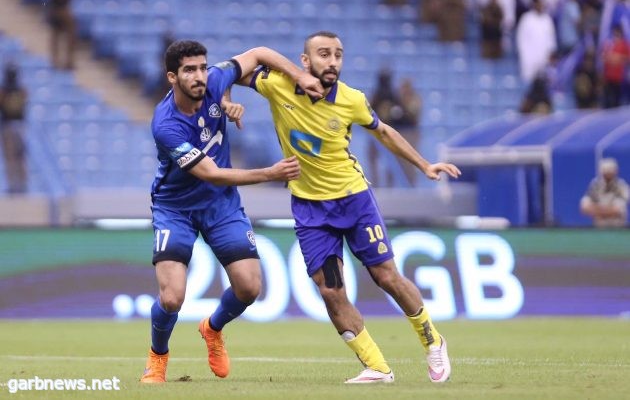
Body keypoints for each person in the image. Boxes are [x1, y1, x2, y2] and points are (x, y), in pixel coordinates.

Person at [231, 31, 461, 384]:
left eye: (338, 55)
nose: (333, 61)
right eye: (324, 54)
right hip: (310, 210)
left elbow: (384, 133)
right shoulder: (276, 85)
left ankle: (432, 339)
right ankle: (377, 367)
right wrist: (231, 97)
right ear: (305, 61)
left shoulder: (352, 99)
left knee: (386, 276)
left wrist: (424, 165)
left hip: (354, 200)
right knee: (330, 290)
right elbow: (231, 70)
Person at [140, 40, 323, 384]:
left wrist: (300, 76)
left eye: (201, 67)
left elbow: (260, 53)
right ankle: (157, 358)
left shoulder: (215, 80)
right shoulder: (166, 125)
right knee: (172, 296)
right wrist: (270, 174)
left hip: (220, 205)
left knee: (249, 288)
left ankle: (212, 328)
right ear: (171, 77)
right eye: (189, 70)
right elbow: (210, 172)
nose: (199, 76)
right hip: (175, 208)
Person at [0, 62, 28, 194]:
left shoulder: (5, 92)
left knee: (13, 157)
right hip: (19, 126)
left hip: (10, 126)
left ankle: (16, 185)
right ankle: (20, 185)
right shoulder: (21, 91)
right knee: (18, 157)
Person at [580, 158, 629, 228]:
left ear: (615, 171)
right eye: (605, 171)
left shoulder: (621, 186)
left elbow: (618, 210)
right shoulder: (595, 185)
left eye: (610, 171)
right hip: (599, 228)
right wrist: (606, 211)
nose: (607, 174)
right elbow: (584, 207)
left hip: (618, 227)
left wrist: (597, 210)